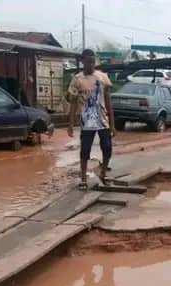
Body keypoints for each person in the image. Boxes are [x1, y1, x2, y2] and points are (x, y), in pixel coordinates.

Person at [67, 49, 116, 189]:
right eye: (88, 62)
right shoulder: (77, 79)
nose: (91, 65)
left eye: (93, 62)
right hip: (87, 122)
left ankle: (104, 173)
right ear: (83, 62)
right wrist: (70, 125)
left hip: (102, 120)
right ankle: (83, 179)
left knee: (107, 148)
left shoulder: (103, 78)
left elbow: (108, 101)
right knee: (85, 150)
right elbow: (73, 103)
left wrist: (112, 124)